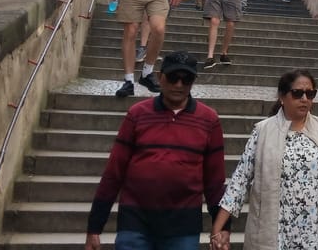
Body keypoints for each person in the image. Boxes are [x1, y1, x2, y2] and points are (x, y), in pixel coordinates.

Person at [85, 51, 229, 250]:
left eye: (185, 79)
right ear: (161, 77)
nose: (178, 84)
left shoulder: (209, 120)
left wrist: (222, 228)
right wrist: (94, 227)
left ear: (193, 82)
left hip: (183, 227)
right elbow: (113, 173)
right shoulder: (137, 114)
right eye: (173, 77)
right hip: (135, 223)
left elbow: (215, 182)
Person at [209, 70, 318, 250]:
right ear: (282, 97)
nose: (304, 99)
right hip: (276, 235)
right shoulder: (263, 131)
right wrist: (218, 227)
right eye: (297, 93)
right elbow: (240, 181)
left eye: (310, 94)